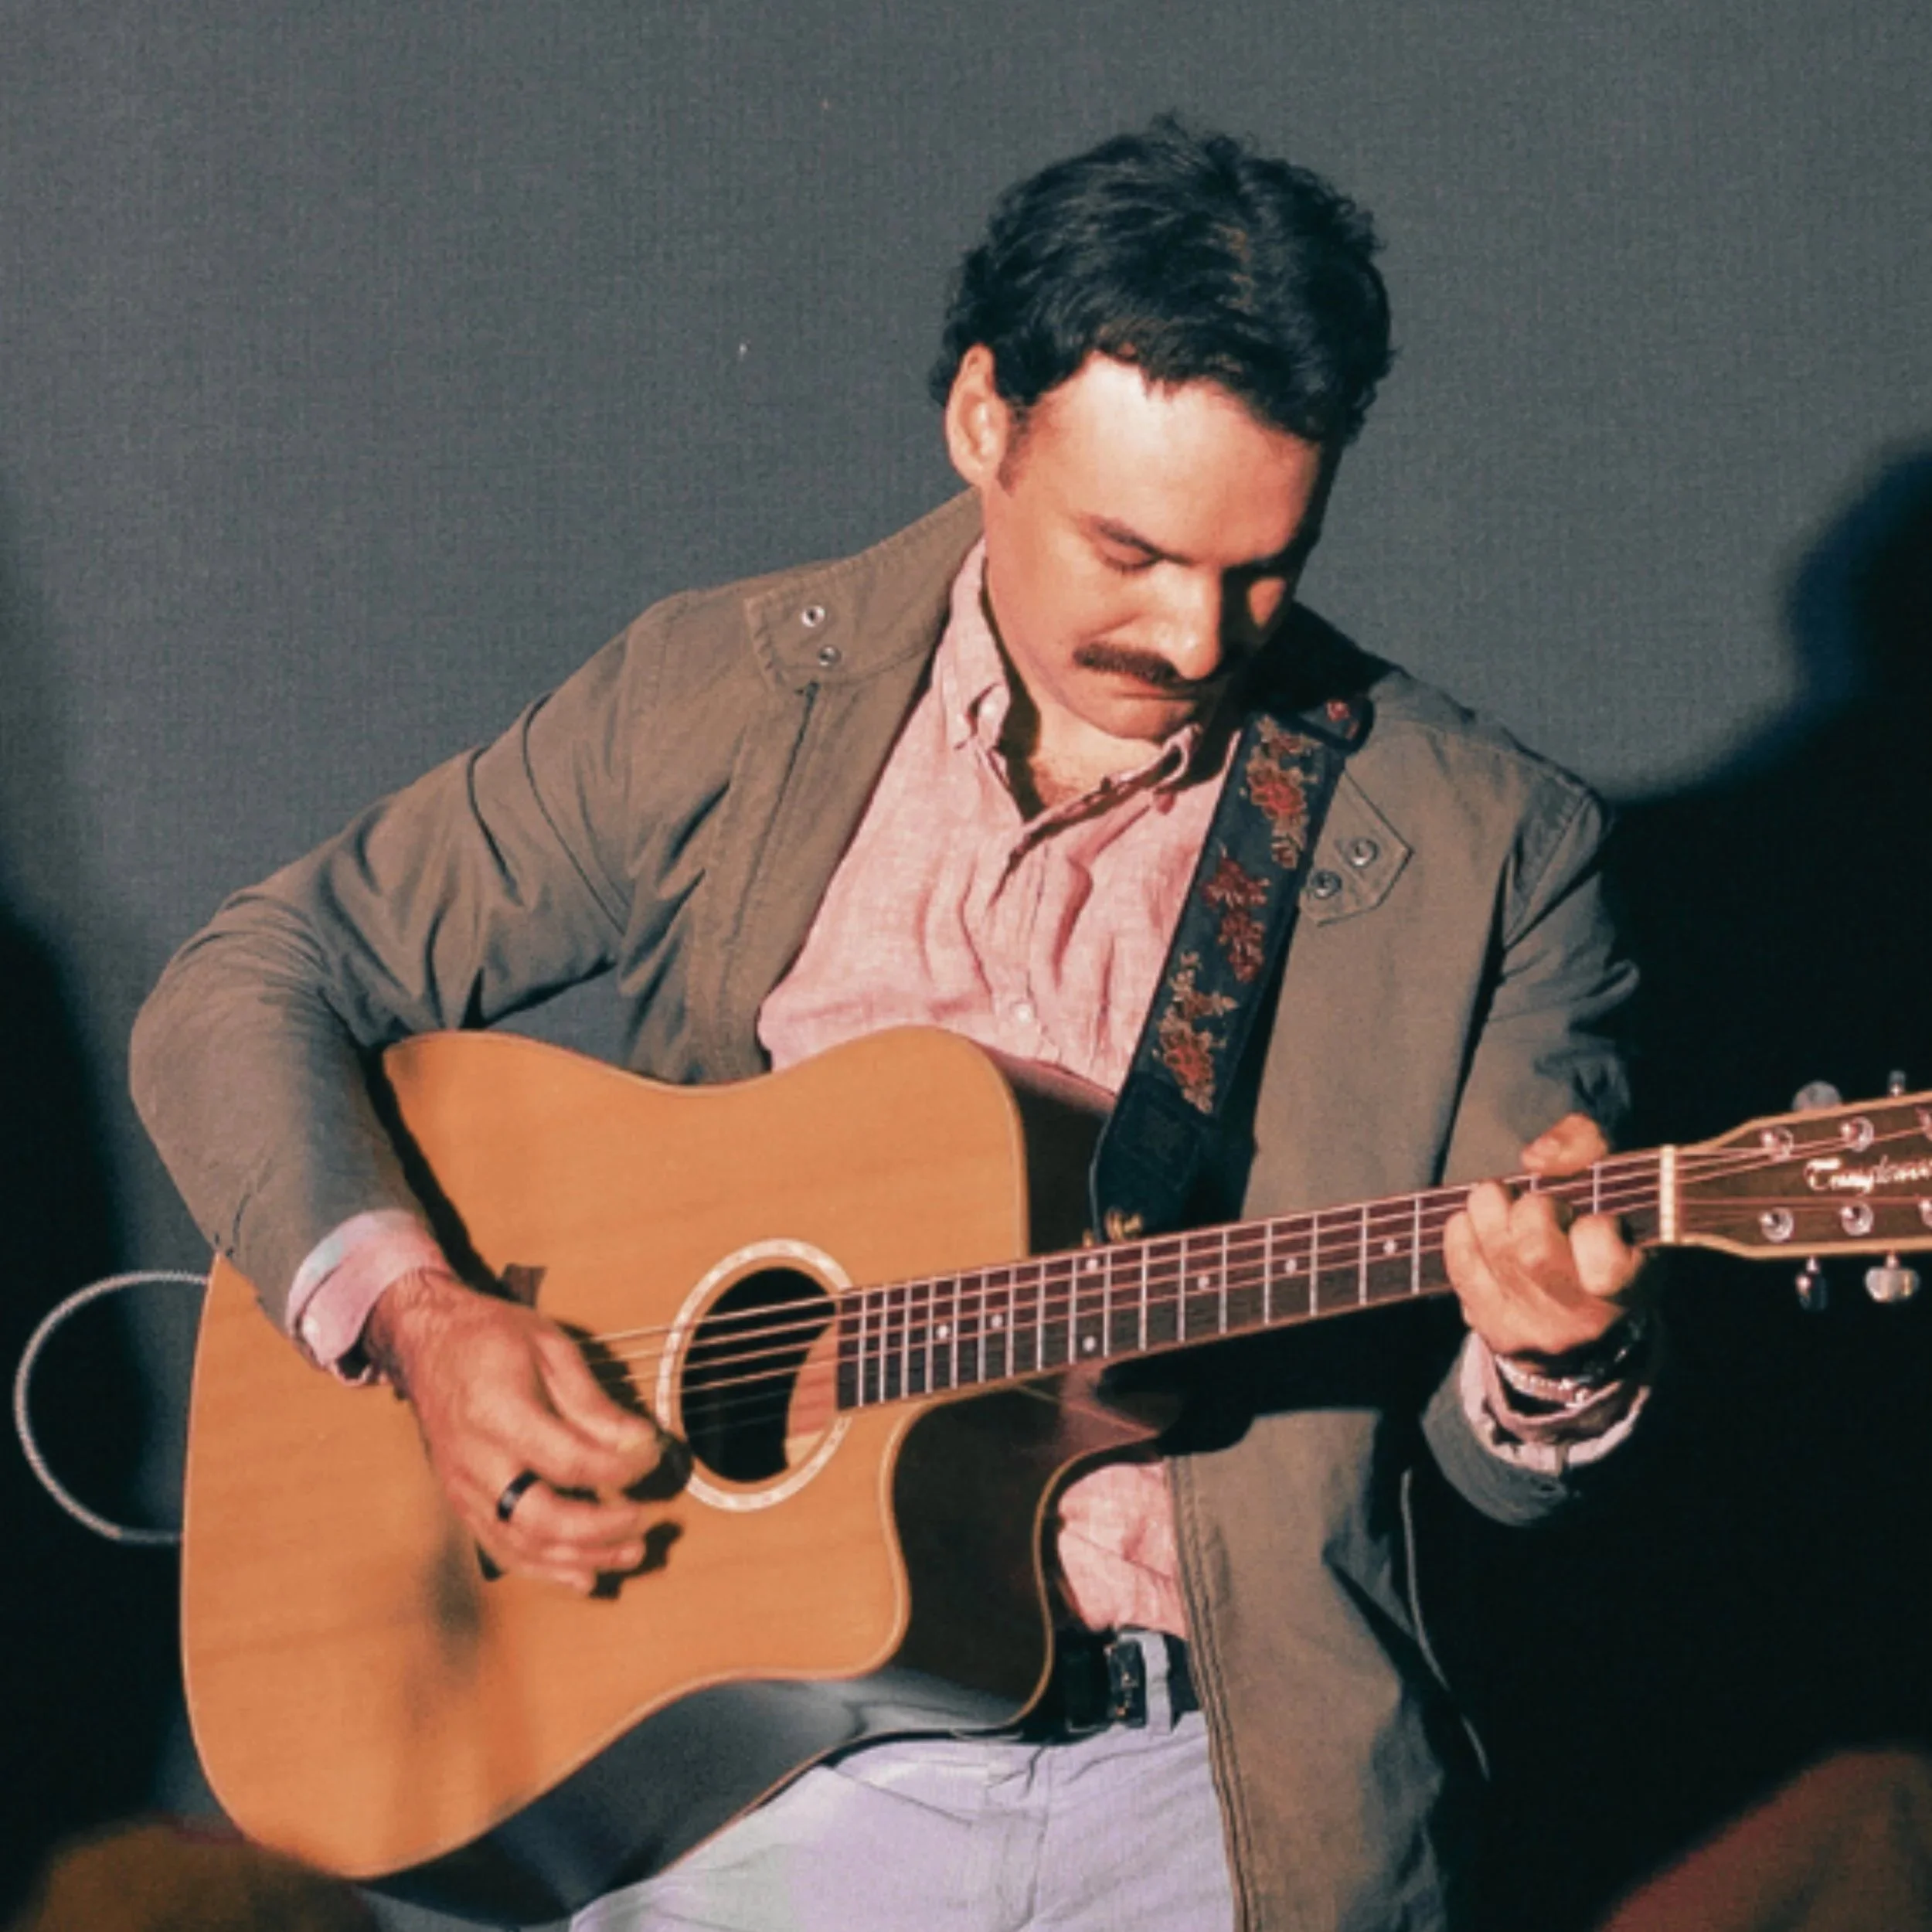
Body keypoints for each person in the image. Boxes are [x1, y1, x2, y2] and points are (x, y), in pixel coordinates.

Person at [133, 120, 1658, 1932]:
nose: (1191, 632)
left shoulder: (1491, 845)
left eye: (1261, 567)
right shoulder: (727, 692)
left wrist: (1551, 1351)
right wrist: (420, 1317)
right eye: (1128, 551)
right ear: (980, 423)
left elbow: (1504, 1470)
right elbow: (249, 981)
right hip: (739, 1779)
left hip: (1216, 1810)